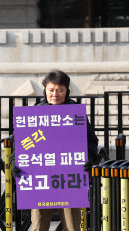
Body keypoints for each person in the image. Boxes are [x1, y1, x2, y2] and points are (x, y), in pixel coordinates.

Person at [13, 70, 98, 231]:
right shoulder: (34, 114)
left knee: (73, 226)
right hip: (41, 179)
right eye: (51, 90)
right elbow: (20, 143)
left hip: (70, 179)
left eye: (60, 90)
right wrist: (14, 162)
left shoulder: (76, 114)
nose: (55, 94)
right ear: (45, 90)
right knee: (39, 225)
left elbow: (91, 141)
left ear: (67, 91)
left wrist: (90, 157)